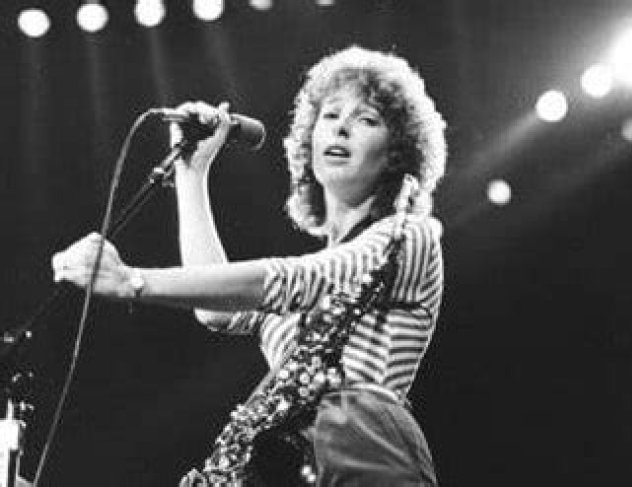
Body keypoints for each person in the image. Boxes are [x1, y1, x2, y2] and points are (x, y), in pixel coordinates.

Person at [52, 45, 447, 486]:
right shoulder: (310, 280)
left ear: (396, 153)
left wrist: (134, 281)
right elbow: (217, 309)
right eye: (331, 115)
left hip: (366, 454)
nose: (342, 128)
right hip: (301, 467)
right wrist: (192, 174)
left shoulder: (410, 236)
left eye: (367, 120)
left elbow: (298, 279)